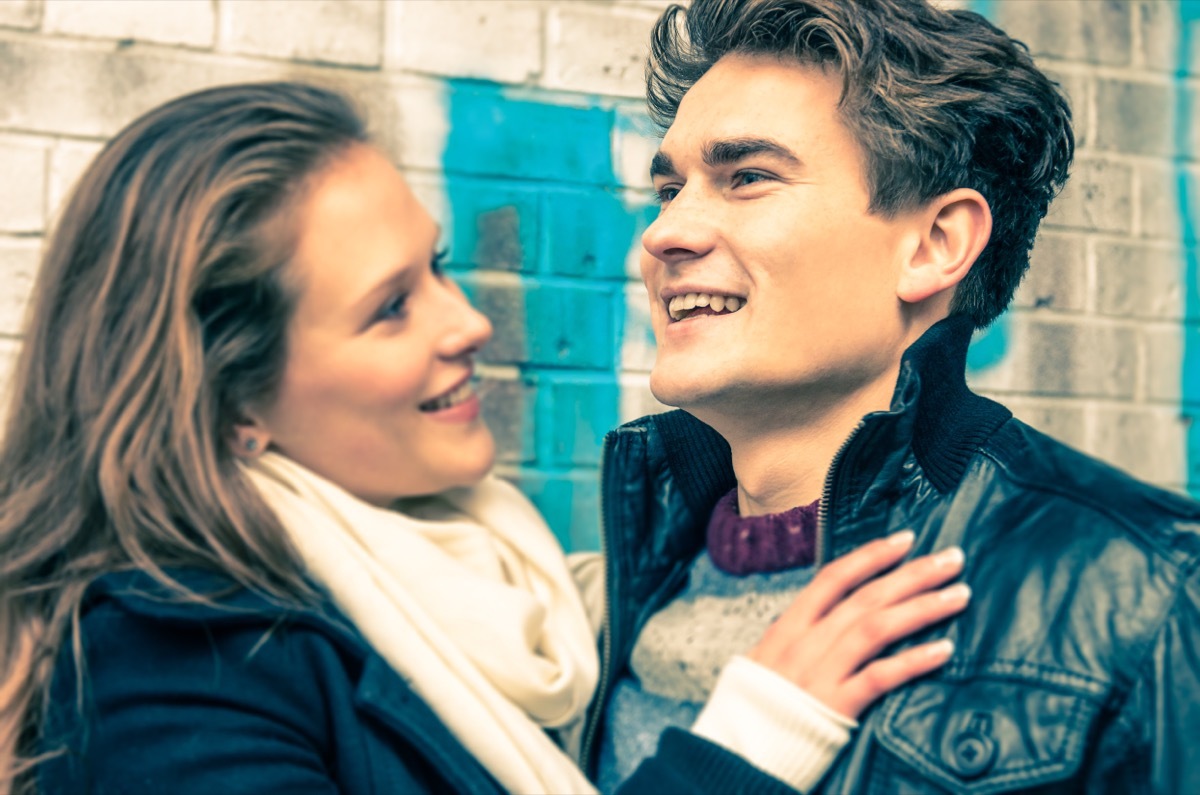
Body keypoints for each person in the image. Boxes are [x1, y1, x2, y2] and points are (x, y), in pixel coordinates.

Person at [0, 81, 969, 795]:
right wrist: (749, 747)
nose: (464, 324)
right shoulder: (175, 666)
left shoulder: (531, 598)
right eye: (389, 310)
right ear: (232, 403)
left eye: (438, 268)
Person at [584, 0, 1200, 792]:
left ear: (935, 245)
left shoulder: (1145, 590)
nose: (665, 233)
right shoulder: (626, 580)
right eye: (671, 189)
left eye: (747, 178)